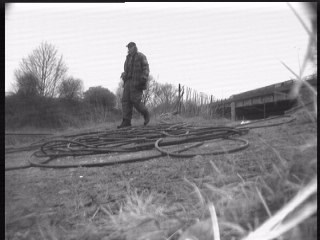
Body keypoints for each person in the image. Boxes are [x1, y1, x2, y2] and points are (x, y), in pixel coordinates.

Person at [117, 42, 150, 128]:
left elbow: (146, 68)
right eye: (128, 47)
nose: (129, 49)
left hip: (137, 82)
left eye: (131, 47)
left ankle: (146, 114)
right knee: (125, 101)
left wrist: (143, 78)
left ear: (135, 47)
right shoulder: (127, 58)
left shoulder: (141, 56)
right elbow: (126, 70)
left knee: (136, 101)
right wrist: (124, 74)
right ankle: (126, 121)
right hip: (128, 82)